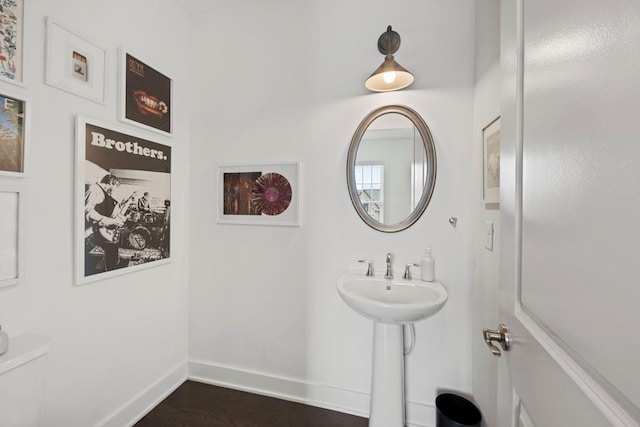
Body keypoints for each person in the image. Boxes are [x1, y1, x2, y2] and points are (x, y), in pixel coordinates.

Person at [84, 174, 127, 274]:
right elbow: (87, 211)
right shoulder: (95, 189)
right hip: (89, 233)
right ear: (111, 183)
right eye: (115, 188)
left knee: (112, 252)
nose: (114, 191)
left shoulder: (102, 192)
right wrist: (110, 221)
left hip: (97, 230)